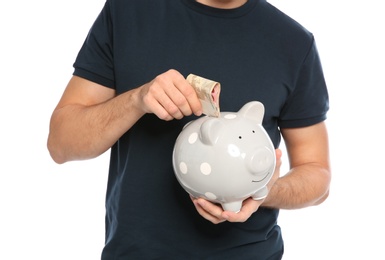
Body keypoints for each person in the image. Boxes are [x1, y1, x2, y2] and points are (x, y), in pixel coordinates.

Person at [47, 0, 331, 259]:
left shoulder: (293, 43)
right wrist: (137, 100)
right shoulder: (127, 11)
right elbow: (61, 143)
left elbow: (318, 175)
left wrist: (262, 192)